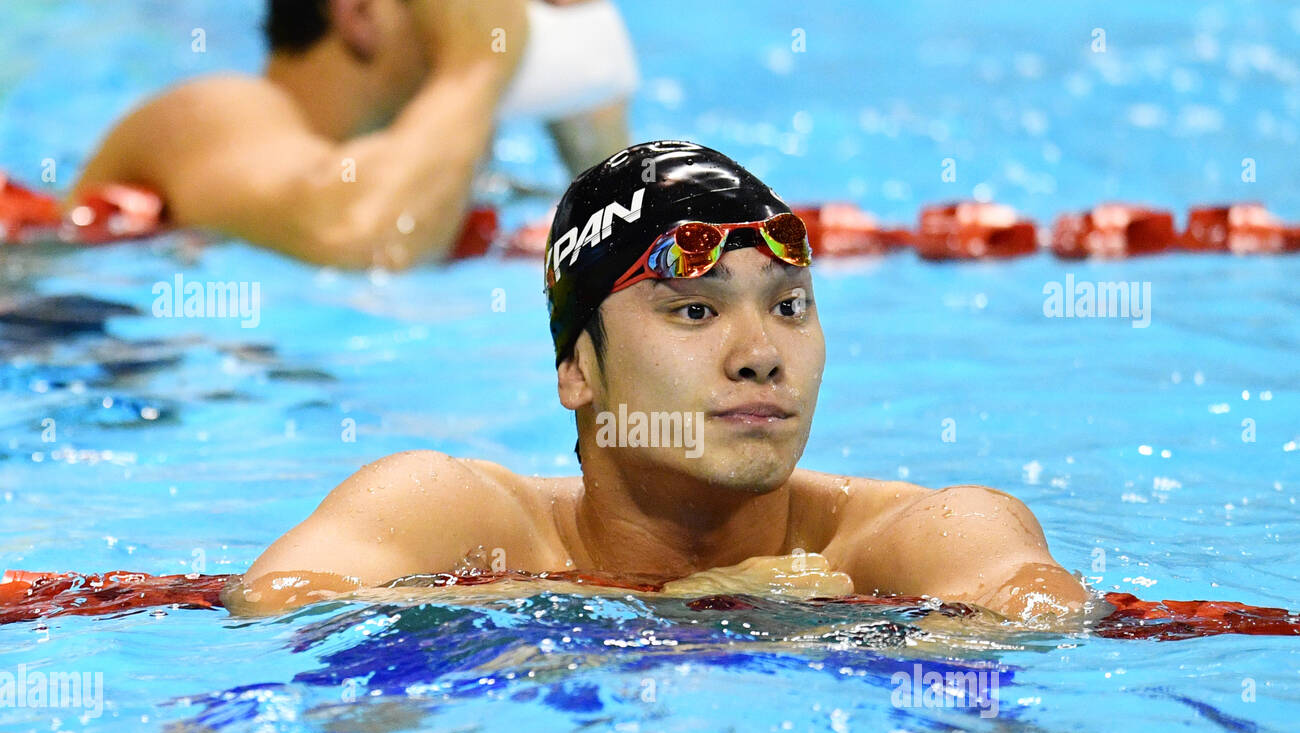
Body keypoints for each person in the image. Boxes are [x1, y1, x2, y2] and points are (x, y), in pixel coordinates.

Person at [224, 140, 1090, 621]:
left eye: (790, 307)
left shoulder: (915, 538)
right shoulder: (450, 517)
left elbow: (1045, 620)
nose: (761, 354)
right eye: (694, 312)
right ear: (577, 368)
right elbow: (278, 608)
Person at [70, 0, 634, 269]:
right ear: (359, 13)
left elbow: (643, 260)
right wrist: (475, 65)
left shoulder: (466, 172)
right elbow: (369, 240)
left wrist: (587, 120)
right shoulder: (211, 110)